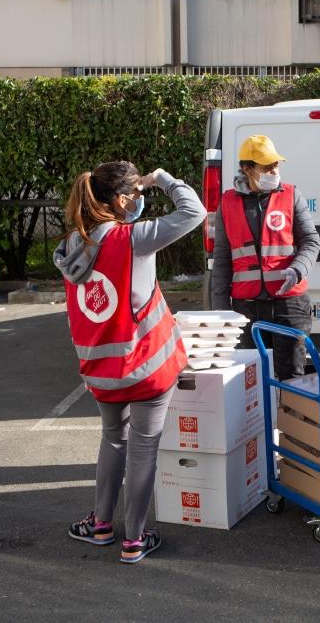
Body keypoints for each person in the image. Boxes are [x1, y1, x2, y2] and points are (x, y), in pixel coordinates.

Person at [54, 161, 206, 563]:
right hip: (147, 368)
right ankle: (134, 541)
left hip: (101, 372)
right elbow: (194, 211)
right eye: (136, 195)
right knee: (143, 451)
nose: (140, 202)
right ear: (121, 200)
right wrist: (162, 179)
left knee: (112, 439)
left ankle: (101, 526)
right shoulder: (134, 239)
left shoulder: (72, 245)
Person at [211, 135, 320, 380]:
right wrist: (221, 312)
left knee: (292, 377)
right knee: (252, 381)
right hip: (246, 307)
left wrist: (298, 270)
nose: (274, 170)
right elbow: (221, 259)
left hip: (289, 304)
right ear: (246, 168)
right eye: (266, 166)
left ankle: (289, 419)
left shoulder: (291, 195)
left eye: (276, 165)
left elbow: (312, 241)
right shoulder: (227, 202)